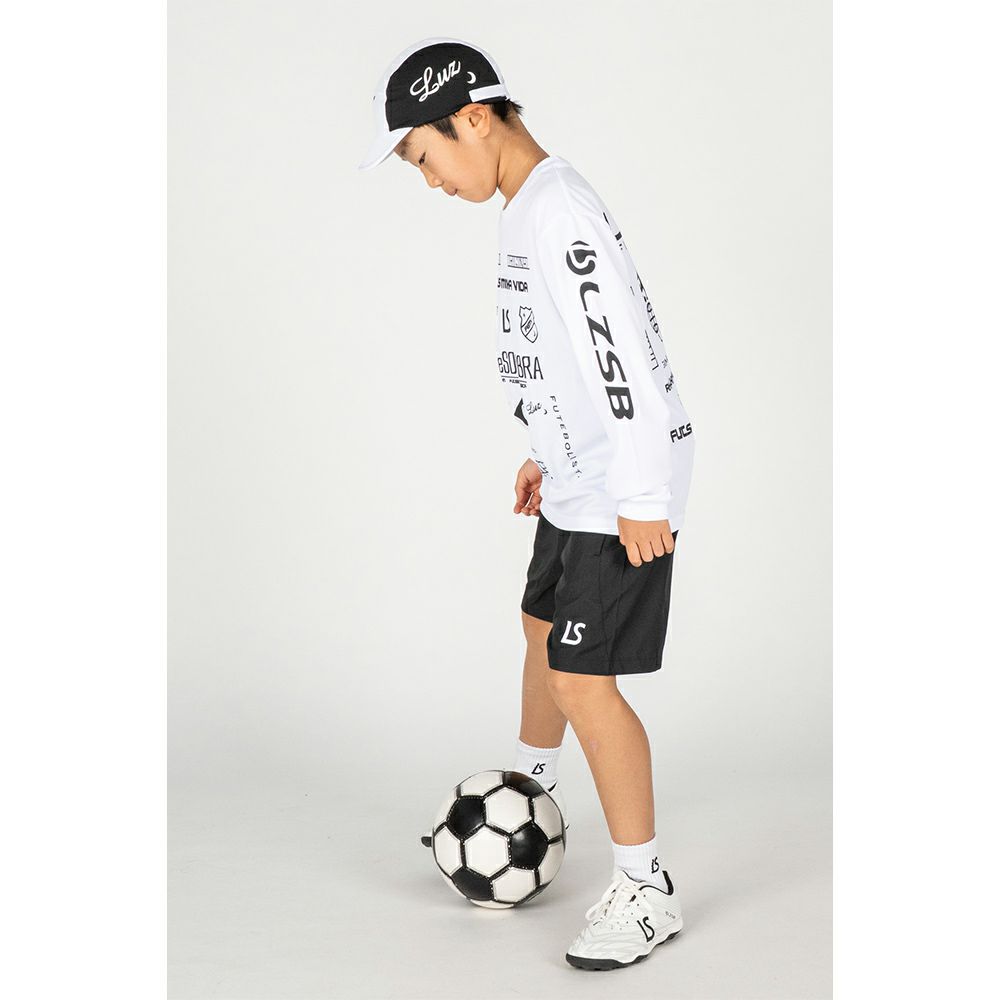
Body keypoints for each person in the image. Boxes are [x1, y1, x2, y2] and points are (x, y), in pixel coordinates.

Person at [359, 37, 696, 971]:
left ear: (472, 119)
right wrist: (546, 451)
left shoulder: (557, 212)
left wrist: (639, 493)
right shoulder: (526, 208)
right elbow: (563, 357)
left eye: (424, 158)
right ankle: (535, 791)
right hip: (583, 473)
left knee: (585, 682)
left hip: (623, 485)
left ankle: (646, 888)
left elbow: (620, 353)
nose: (430, 182)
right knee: (539, 628)